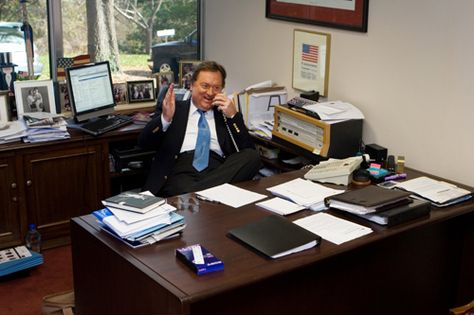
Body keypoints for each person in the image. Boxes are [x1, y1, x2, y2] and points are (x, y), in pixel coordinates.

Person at [138, 60, 261, 197]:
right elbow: (144, 143)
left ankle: (194, 197)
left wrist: (233, 116)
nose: (210, 93)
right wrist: (165, 119)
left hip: (217, 171)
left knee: (252, 156)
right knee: (181, 188)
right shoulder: (174, 108)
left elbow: (246, 150)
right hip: (181, 169)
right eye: (205, 86)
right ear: (192, 86)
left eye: (216, 88)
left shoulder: (225, 114)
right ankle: (206, 196)